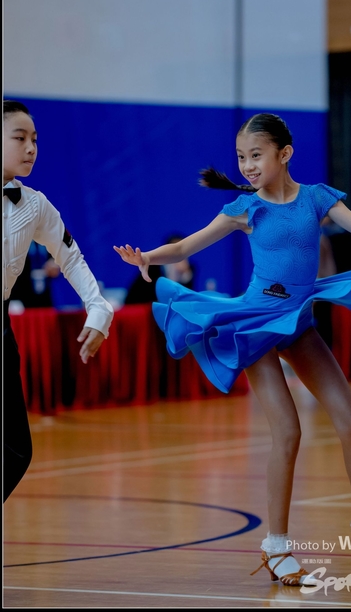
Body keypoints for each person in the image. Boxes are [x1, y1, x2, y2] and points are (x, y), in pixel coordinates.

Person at [114, 113, 351, 586]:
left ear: (285, 153)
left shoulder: (317, 197)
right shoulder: (245, 209)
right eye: (242, 157)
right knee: (288, 432)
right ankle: (277, 546)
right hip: (256, 325)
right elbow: (186, 248)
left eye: (256, 155)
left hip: (298, 322)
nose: (247, 165)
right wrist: (148, 258)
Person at [3, 100, 114, 502]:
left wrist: (98, 308)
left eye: (35, 139)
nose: (31, 148)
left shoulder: (34, 204)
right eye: (20, 138)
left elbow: (70, 257)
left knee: (16, 450)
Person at [124, 234, 195, 304]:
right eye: (175, 249)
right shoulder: (153, 267)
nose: (177, 254)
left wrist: (185, 273)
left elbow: (187, 295)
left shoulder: (190, 268)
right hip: (142, 303)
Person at [9, 241, 60, 308]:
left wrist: (54, 264)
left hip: (44, 294)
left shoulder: (46, 240)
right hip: (22, 294)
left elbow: (54, 261)